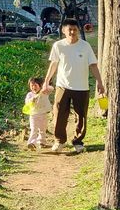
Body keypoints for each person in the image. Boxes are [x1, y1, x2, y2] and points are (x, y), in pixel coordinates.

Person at [41, 18, 105, 154]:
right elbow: (54, 64)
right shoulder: (58, 46)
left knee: (81, 115)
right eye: (69, 29)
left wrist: (100, 82)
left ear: (78, 30)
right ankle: (59, 140)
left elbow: (93, 65)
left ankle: (78, 141)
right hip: (62, 86)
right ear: (64, 31)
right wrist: (47, 81)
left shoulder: (85, 46)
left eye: (75, 29)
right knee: (59, 113)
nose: (72, 32)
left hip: (81, 86)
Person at [24, 76, 52, 151]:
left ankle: (42, 142)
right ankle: (32, 143)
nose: (33, 87)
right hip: (33, 115)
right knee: (33, 129)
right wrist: (31, 100)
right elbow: (27, 103)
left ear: (40, 86)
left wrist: (45, 86)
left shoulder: (44, 93)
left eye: (35, 85)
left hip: (43, 115)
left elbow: (51, 89)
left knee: (43, 129)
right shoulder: (29, 95)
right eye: (31, 85)